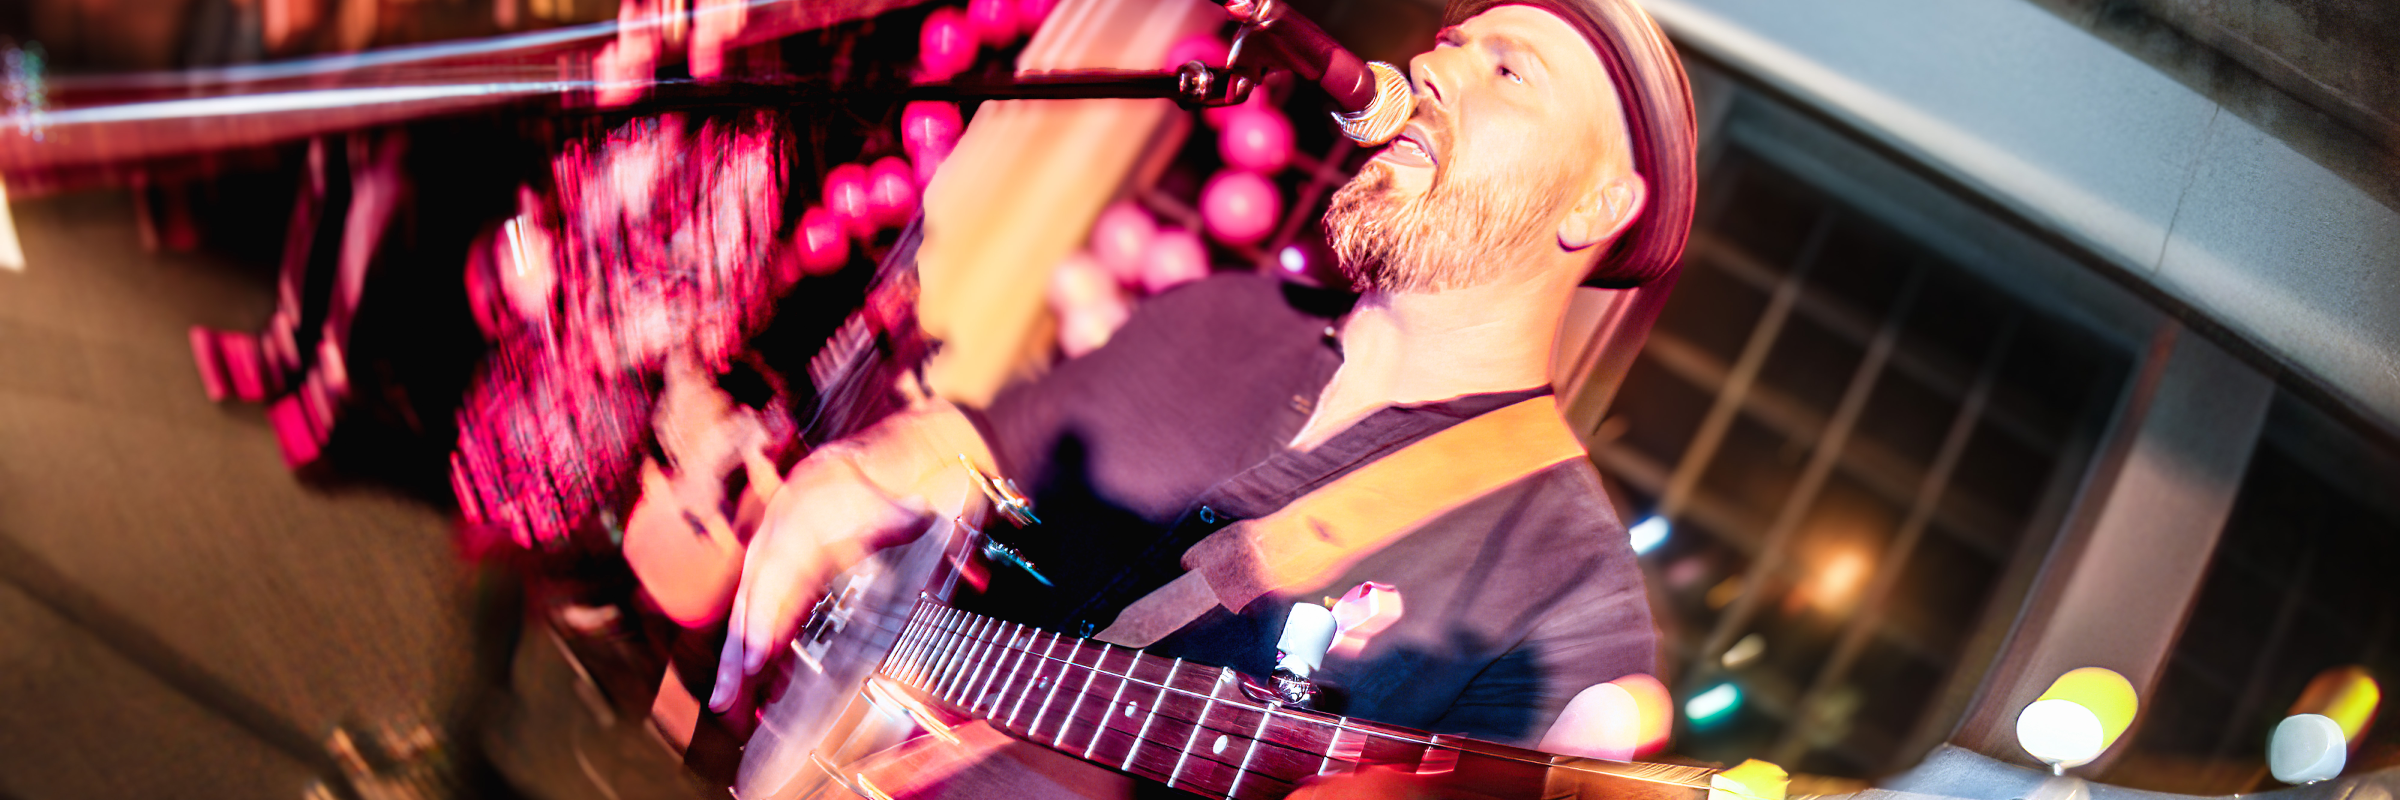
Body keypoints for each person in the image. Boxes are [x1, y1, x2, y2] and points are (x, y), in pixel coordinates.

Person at [708, 0, 1697, 757]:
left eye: (1510, 71)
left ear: (1600, 202)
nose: (1432, 68)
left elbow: (1578, 738)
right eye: (1447, 41)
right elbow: (978, 441)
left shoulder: (1564, 584)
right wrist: (869, 470)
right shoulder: (1223, 316)